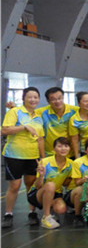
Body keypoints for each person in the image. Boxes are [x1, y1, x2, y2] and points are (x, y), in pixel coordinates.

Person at [2, 87, 45, 228]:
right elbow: (4, 130)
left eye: (35, 97)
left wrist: (43, 158)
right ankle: (8, 214)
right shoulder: (15, 112)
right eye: (29, 97)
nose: (33, 100)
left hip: (32, 156)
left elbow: (40, 139)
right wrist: (24, 127)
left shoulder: (38, 117)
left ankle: (32, 213)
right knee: (15, 186)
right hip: (14, 155)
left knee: (31, 185)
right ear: (24, 98)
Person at [26, 137, 73, 229]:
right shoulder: (45, 162)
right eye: (60, 146)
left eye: (66, 146)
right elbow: (38, 186)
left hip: (55, 193)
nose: (63, 149)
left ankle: (51, 211)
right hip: (37, 193)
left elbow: (67, 183)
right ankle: (46, 217)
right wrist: (41, 175)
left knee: (61, 209)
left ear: (69, 148)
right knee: (51, 185)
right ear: (54, 149)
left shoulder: (71, 164)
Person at [64, 137, 88, 227]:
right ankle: (77, 215)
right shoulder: (78, 162)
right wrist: (83, 180)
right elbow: (77, 183)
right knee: (81, 189)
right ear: (85, 150)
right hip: (75, 192)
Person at [36, 87, 78, 157]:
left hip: (69, 154)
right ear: (48, 101)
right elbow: (27, 113)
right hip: (49, 154)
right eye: (53, 99)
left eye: (59, 98)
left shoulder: (75, 110)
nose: (57, 101)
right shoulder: (41, 112)